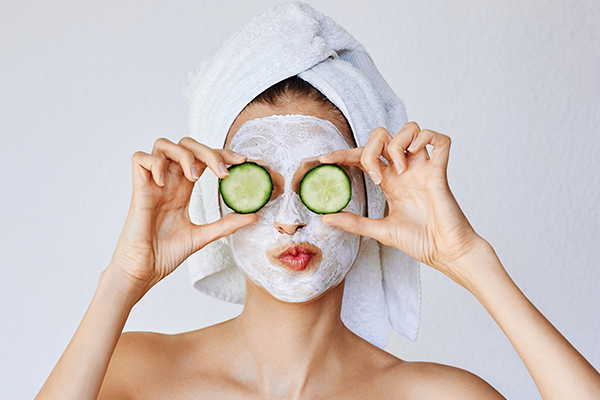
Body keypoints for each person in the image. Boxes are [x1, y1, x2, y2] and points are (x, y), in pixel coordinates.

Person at [36, 4, 600, 400]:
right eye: (259, 180)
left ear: (371, 189)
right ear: (216, 188)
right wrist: (123, 280)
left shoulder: (436, 394)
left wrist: (469, 258)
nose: (289, 219)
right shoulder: (133, 373)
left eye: (321, 180)